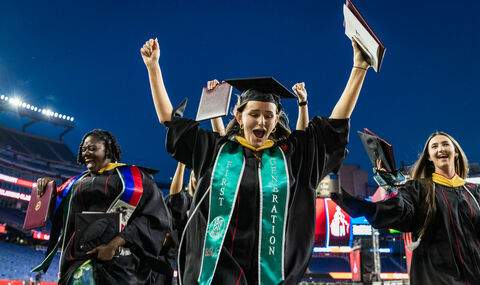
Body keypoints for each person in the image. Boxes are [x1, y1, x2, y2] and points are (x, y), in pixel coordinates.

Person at [141, 37, 371, 284]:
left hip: (269, 275)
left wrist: (359, 68)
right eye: (254, 114)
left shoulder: (291, 157)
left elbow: (333, 127)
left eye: (268, 116)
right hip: (217, 274)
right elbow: (169, 120)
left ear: (276, 119)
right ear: (238, 116)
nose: (261, 122)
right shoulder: (215, 151)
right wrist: (153, 67)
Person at [332, 132, 480, 284]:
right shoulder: (419, 189)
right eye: (434, 146)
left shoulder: (475, 192)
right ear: (429, 156)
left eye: (445, 144)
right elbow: (399, 211)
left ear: (455, 152)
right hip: (437, 278)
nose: (440, 148)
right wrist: (353, 201)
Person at [32, 129, 172, 284]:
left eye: (92, 148)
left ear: (108, 150)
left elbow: (152, 218)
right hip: (78, 262)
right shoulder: (76, 183)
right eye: (84, 149)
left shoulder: (133, 179)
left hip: (120, 267)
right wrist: (48, 193)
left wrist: (113, 245)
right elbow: (63, 219)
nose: (86, 153)